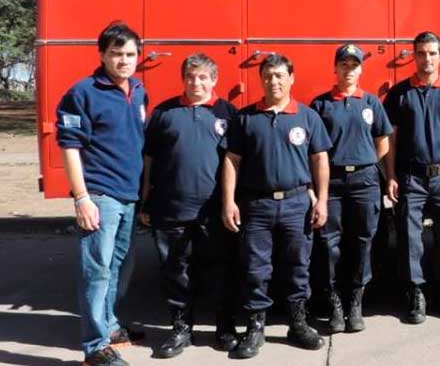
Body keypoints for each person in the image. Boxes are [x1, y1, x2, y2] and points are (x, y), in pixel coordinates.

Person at [221, 53, 331, 359]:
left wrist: (321, 199)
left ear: (291, 78)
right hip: (256, 205)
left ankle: (298, 324)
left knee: (298, 266)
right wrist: (228, 201)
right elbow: (231, 161)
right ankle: (256, 328)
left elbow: (320, 159)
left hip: (297, 203)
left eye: (280, 75)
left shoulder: (307, 117)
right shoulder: (245, 118)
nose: (274, 81)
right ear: (261, 79)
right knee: (256, 269)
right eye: (268, 76)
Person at [56, 22, 147, 366]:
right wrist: (82, 198)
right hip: (100, 196)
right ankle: (95, 347)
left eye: (129, 54)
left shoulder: (138, 91)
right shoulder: (82, 93)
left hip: (129, 196)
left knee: (120, 267)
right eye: (116, 53)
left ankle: (109, 327)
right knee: (97, 272)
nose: (123, 60)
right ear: (102, 54)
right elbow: (69, 146)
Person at [140, 53, 239, 357]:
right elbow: (149, 160)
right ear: (183, 79)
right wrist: (145, 201)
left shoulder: (228, 113)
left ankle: (225, 327)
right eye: (190, 77)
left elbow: (236, 162)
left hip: (214, 210)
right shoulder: (164, 113)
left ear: (214, 79)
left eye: (202, 77)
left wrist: (231, 202)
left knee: (222, 270)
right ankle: (181, 329)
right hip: (171, 208)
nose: (196, 82)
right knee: (176, 271)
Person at [383, 31, 440, 324]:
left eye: (432, 53)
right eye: (421, 53)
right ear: (414, 56)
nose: (427, 58)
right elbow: (390, 140)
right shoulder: (399, 94)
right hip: (412, 177)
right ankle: (415, 293)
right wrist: (391, 175)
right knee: (410, 238)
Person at [310, 44, 392, 333]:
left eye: (354, 65)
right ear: (335, 68)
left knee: (362, 241)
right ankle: (334, 303)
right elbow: (313, 150)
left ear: (361, 69)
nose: (349, 69)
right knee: (328, 243)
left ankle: (355, 302)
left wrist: (364, 160)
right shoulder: (320, 105)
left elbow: (383, 142)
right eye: (343, 64)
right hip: (330, 182)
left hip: (365, 181)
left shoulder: (371, 103)